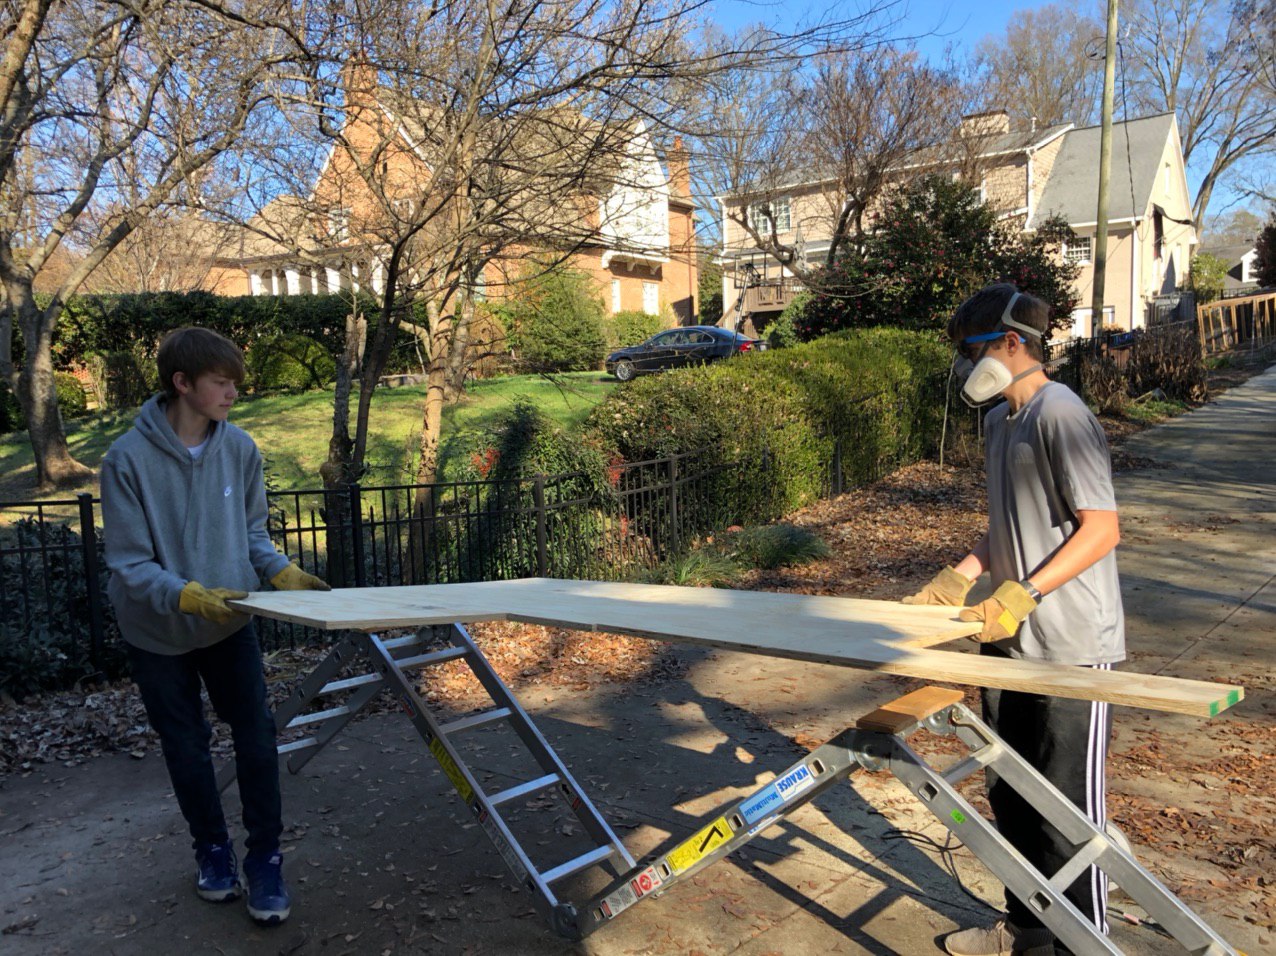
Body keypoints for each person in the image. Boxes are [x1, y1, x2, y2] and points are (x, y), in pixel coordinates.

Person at [904, 285, 1124, 956]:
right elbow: (1009, 529)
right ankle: (1028, 933)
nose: (965, 366)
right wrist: (959, 577)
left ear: (1009, 343)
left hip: (1071, 645)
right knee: (1010, 794)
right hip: (1006, 640)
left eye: (970, 351)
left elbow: (1101, 529)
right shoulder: (1002, 422)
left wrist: (1023, 593)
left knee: (1066, 813)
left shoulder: (1062, 414)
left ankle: (1083, 944)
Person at [101, 327, 331, 925]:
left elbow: (253, 533)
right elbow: (128, 562)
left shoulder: (241, 449)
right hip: (156, 632)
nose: (233, 393)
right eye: (221, 382)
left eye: (234, 383)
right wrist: (183, 595)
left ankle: (265, 860)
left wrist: (279, 571)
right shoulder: (126, 460)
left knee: (256, 736)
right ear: (183, 383)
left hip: (229, 623)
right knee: (186, 745)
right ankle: (211, 851)